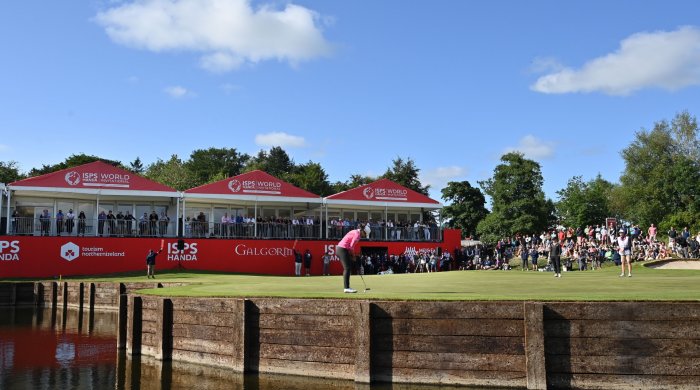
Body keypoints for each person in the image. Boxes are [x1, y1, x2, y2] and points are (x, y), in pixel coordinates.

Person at [336, 224, 366, 293]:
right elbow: (351, 247)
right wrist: (353, 256)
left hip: (342, 249)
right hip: (342, 249)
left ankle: (347, 287)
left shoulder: (356, 232)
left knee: (349, 266)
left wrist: (353, 256)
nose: (365, 235)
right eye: (365, 233)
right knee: (347, 268)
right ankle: (346, 288)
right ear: (362, 231)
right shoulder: (357, 234)